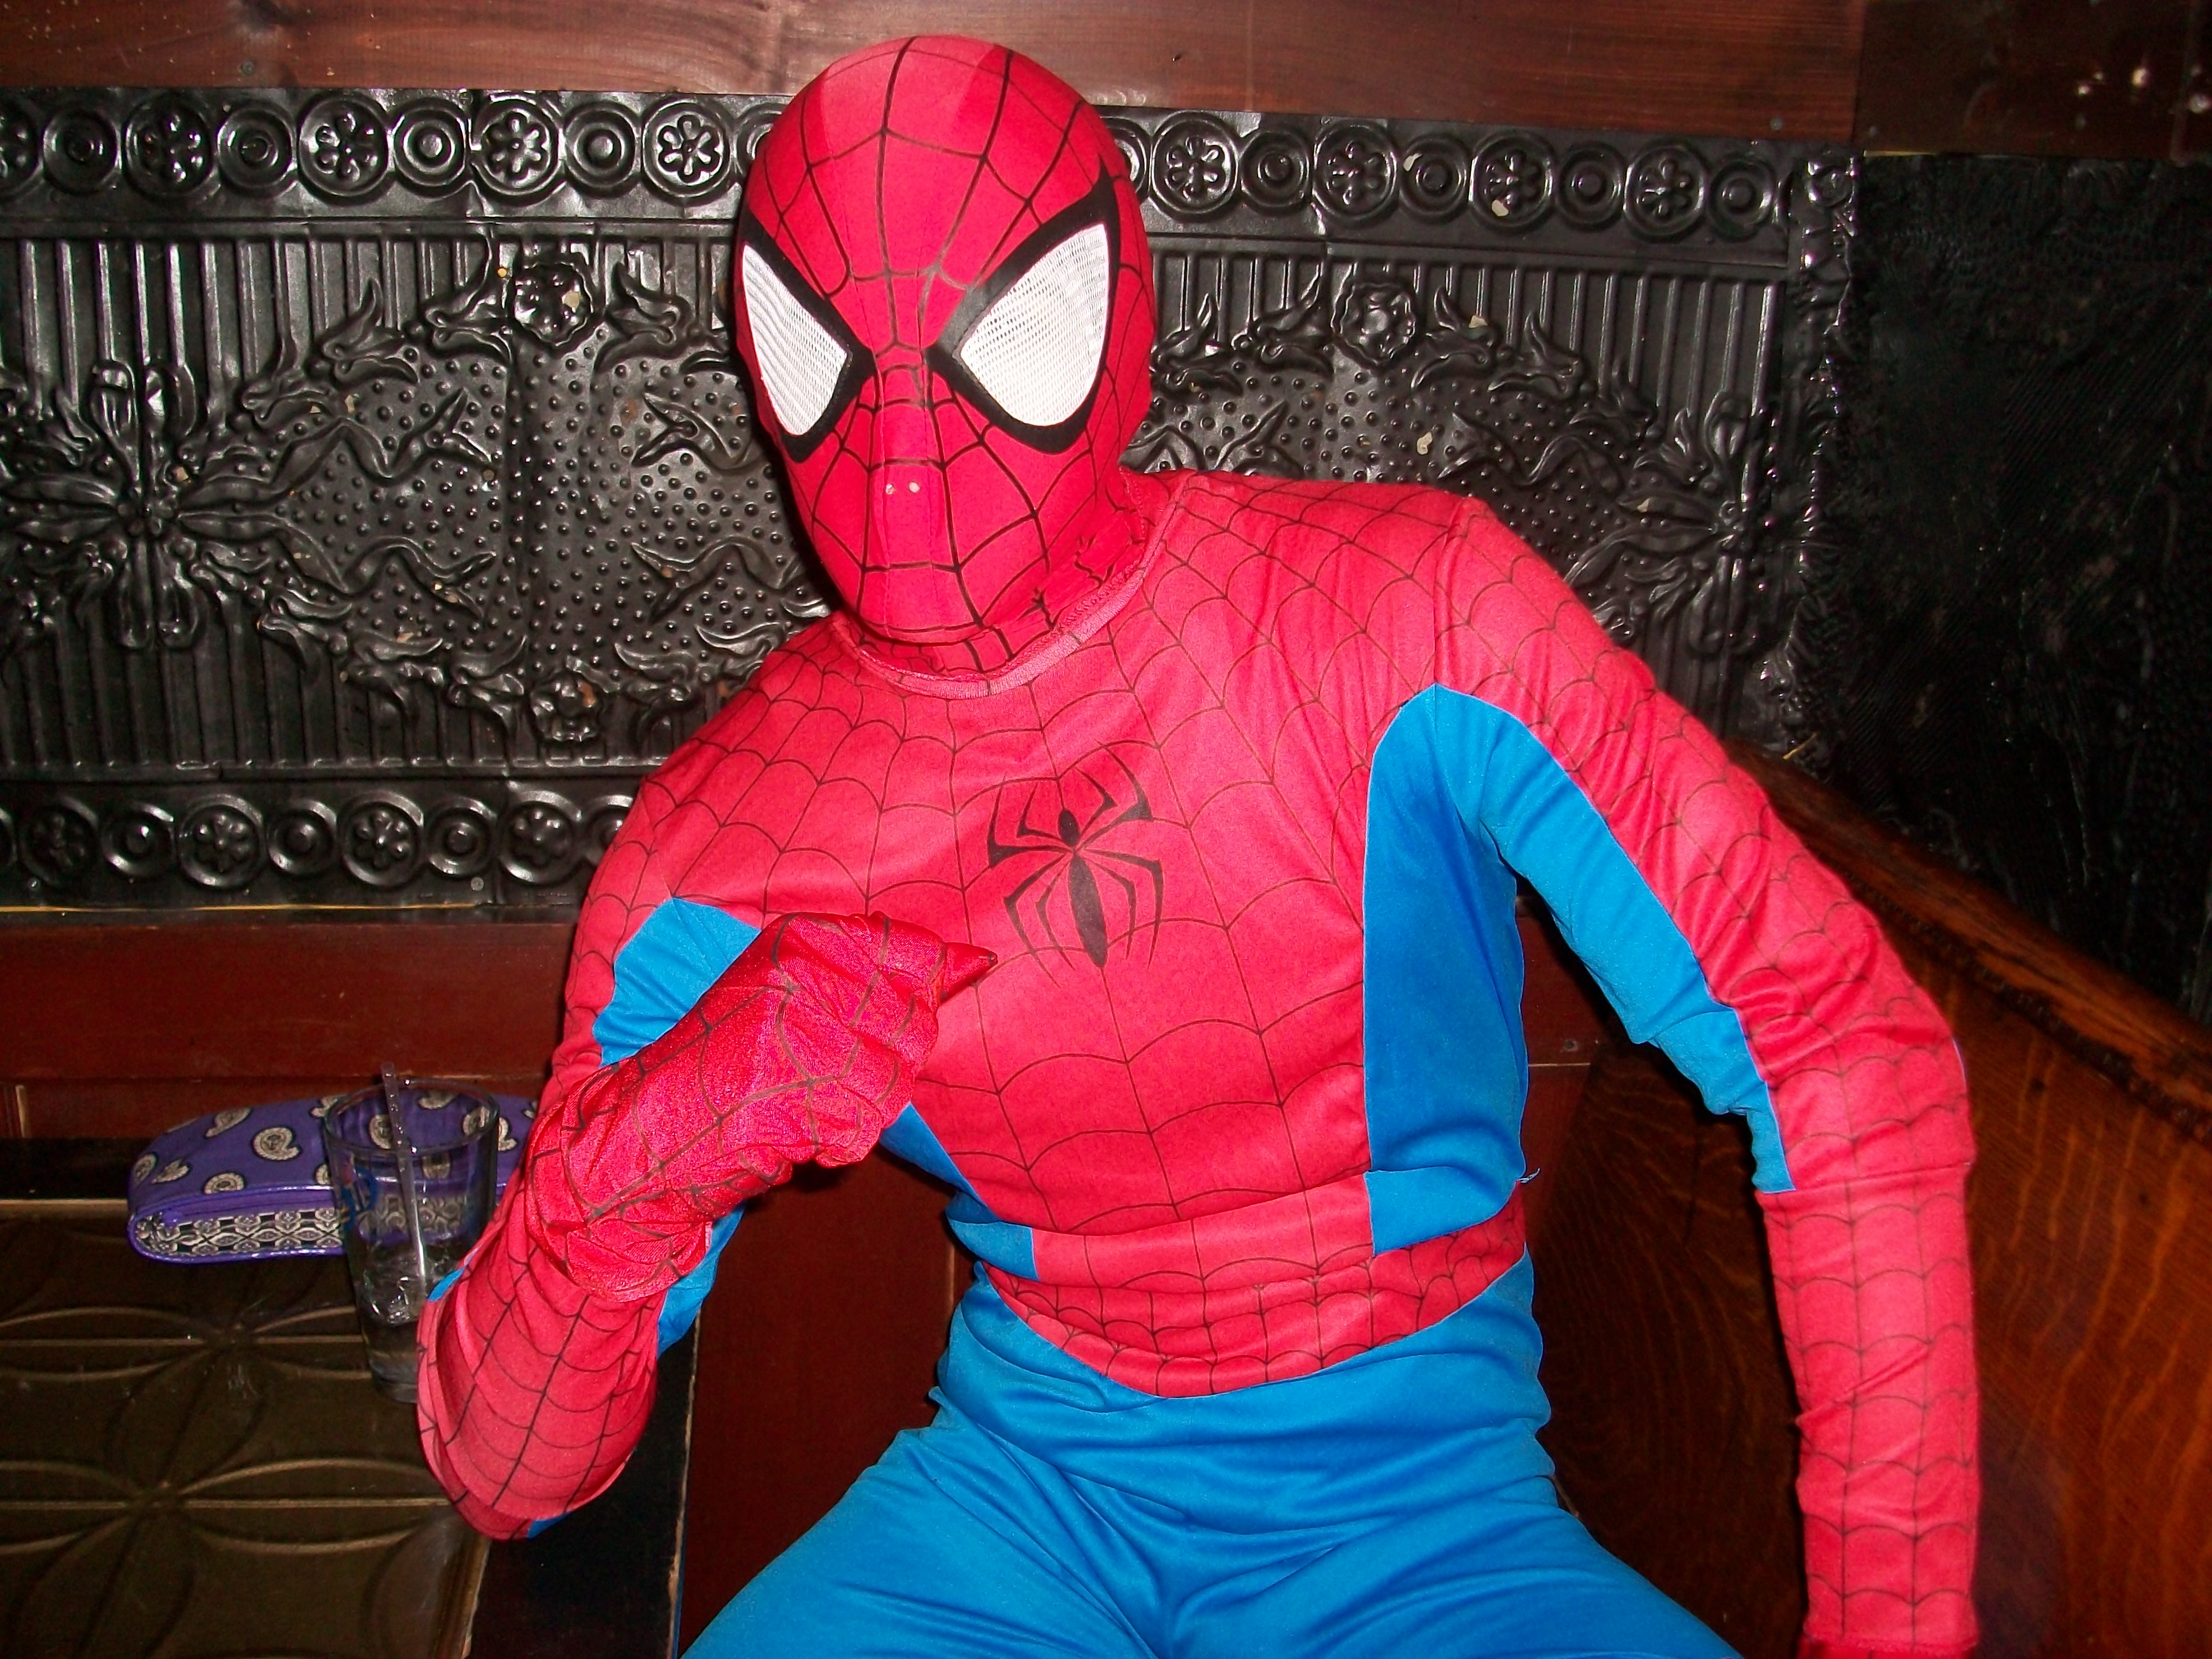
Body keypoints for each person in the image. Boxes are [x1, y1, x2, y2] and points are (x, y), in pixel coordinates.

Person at [417, 36, 1979, 1659]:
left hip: (1423, 1513)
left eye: (1006, 334)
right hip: (1020, 1499)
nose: (906, 446)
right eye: (829, 355)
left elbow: (1829, 1036)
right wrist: (642, 1160)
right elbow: (507, 1474)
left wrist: (1892, 1632)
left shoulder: (1402, 614)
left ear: (1119, 316)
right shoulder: (725, 834)